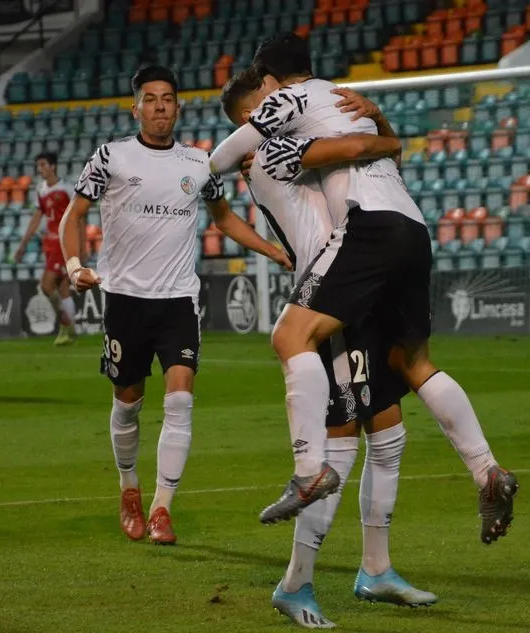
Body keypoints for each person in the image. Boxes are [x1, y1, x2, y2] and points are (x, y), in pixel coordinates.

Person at [210, 33, 519, 545]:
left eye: (259, 106)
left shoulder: (281, 123)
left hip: (361, 240)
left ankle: (307, 493)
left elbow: (235, 159)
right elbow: (379, 154)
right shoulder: (345, 103)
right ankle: (486, 473)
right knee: (409, 366)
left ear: (270, 87)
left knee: (297, 347)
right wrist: (384, 126)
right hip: (411, 228)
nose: (261, 114)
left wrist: (212, 167)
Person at [220, 68, 438, 627]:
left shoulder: (280, 149)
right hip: (332, 296)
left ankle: (377, 569)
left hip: (355, 288)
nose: (285, 103)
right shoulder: (273, 154)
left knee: (387, 428)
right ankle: (296, 583)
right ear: (251, 119)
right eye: (271, 101)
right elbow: (358, 149)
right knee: (340, 441)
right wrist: (384, 133)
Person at [58, 65, 292, 545]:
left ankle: (162, 508)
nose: (160, 106)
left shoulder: (200, 164)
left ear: (178, 107)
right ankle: (129, 489)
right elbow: (73, 215)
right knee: (128, 404)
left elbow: (224, 218)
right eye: (150, 99)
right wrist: (75, 266)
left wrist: (272, 250)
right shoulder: (111, 157)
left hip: (178, 300)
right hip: (125, 299)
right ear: (136, 108)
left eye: (167, 98)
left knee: (181, 400)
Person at [14, 152, 81, 346]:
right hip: (49, 244)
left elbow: (79, 216)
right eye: (38, 165)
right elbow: (37, 218)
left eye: (43, 164)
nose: (40, 169)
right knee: (62, 288)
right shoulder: (40, 189)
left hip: (63, 242)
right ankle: (70, 332)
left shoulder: (67, 188)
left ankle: (65, 324)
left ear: (53, 166)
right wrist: (23, 244)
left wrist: (81, 245)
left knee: (46, 285)